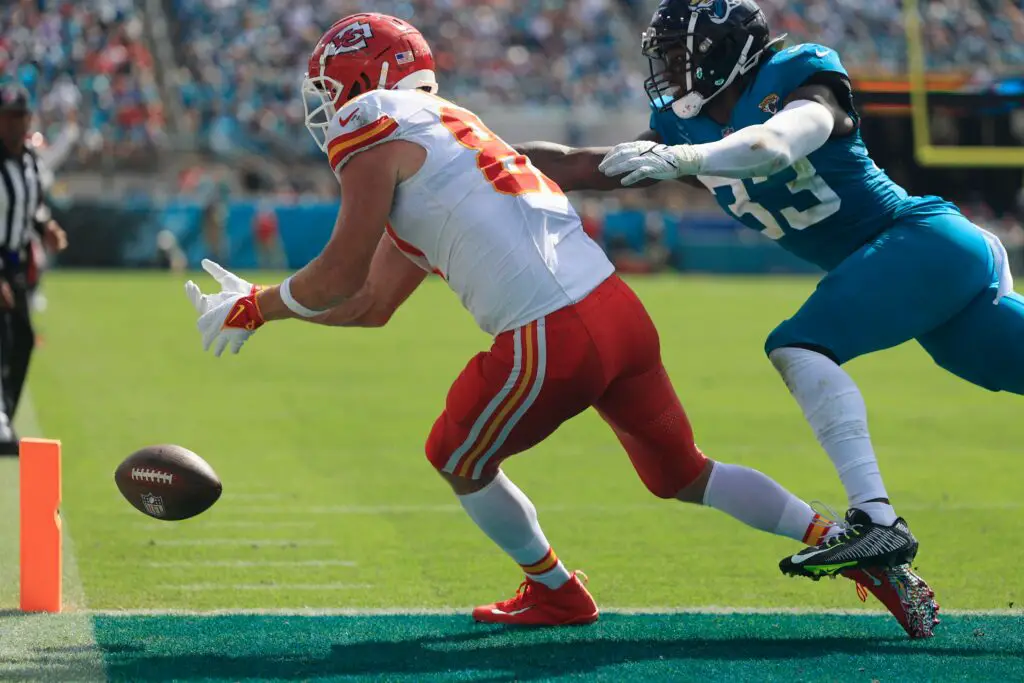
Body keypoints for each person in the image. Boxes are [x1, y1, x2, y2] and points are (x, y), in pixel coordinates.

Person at [182, 13, 921, 632]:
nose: (329, 105)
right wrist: (275, 311)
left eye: (332, 87)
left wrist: (260, 303)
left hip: (551, 333)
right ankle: (848, 542)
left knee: (456, 455)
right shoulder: (450, 134)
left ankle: (555, 588)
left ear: (365, 77)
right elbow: (370, 304)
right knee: (684, 472)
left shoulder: (376, 121)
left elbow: (337, 275)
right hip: (617, 314)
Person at [514, 0, 1024, 636]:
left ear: (726, 52)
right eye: (665, 56)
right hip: (915, 276)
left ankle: (878, 522)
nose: (669, 71)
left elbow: (778, 144)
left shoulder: (799, 76)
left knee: (799, 345)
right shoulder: (682, 128)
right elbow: (580, 163)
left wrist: (686, 160)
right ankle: (878, 522)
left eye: (679, 55)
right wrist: (474, 154)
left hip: (922, 241)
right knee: (983, 361)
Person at [0, 83, 68, 454]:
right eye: (7, 117)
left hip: (15, 263)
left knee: (22, 338)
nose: (14, 125)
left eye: (19, 117)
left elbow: (33, 207)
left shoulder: (29, 161)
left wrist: (47, 228)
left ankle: (4, 415)